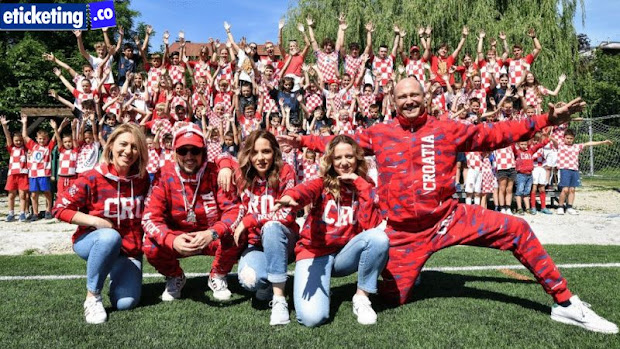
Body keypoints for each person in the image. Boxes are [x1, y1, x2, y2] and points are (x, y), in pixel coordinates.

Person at [279, 77, 618, 334]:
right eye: (402, 96)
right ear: (393, 102)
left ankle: (566, 303)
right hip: (402, 234)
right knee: (392, 298)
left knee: (517, 228)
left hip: (448, 218)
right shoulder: (380, 134)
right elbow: (340, 144)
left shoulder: (447, 128)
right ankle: (394, 279)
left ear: (425, 97)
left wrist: (544, 120)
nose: (409, 101)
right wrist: (301, 140)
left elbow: (496, 133)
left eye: (415, 95)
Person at [275, 135, 388, 327]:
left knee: (379, 238)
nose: (344, 163)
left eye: (349, 157)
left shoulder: (365, 185)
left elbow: (370, 225)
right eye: (338, 158)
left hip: (345, 255)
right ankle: (298, 283)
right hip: (315, 253)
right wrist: (291, 196)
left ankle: (361, 297)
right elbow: (306, 190)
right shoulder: (322, 182)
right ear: (331, 161)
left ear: (357, 158)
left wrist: (359, 183)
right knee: (312, 319)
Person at [53, 123, 150, 324]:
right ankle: (93, 296)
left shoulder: (143, 179)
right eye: (123, 144)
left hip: (129, 250)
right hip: (93, 240)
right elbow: (59, 208)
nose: (128, 151)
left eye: (134, 146)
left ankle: (114, 270)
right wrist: (95, 221)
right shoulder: (92, 177)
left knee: (125, 303)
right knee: (109, 237)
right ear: (111, 145)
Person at [141, 124, 244, 302]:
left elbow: (234, 210)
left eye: (195, 150)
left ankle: (217, 275)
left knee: (238, 234)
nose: (189, 156)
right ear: (174, 153)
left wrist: (213, 233)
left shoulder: (217, 172)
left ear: (203, 151)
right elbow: (150, 217)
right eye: (183, 151)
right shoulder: (163, 175)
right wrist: (171, 239)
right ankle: (175, 276)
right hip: (179, 237)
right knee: (150, 245)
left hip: (211, 236)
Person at [231, 130, 298, 325]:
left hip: (284, 239)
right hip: (255, 243)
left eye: (266, 152)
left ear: (275, 153)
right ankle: (268, 282)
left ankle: (279, 299)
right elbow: (221, 159)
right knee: (251, 279)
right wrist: (226, 166)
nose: (260, 158)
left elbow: (287, 214)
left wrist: (251, 221)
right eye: (255, 152)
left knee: (271, 227)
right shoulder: (241, 175)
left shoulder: (286, 171)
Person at [555, 130, 613, 215]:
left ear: (574, 139)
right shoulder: (560, 146)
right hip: (564, 169)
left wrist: (603, 142)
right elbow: (551, 139)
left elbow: (589, 143)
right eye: (567, 138)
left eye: (571, 138)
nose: (569, 140)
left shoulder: (576, 146)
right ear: (564, 138)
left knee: (572, 189)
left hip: (574, 170)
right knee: (565, 189)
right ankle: (560, 207)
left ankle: (569, 207)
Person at [21, 113, 57, 220]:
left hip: (44, 174)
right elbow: (24, 136)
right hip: (33, 174)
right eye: (40, 139)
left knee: (47, 193)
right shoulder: (33, 145)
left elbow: (55, 138)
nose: (42, 141)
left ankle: (48, 211)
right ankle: (35, 213)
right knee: (33, 194)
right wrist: (24, 123)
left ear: (47, 139)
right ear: (37, 138)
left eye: (44, 139)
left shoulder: (48, 147)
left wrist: (55, 129)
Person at [1, 115, 29, 222]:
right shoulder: (11, 148)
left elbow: (25, 136)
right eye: (16, 140)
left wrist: (24, 123)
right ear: (13, 141)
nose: (18, 142)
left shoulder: (25, 148)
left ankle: (22, 213)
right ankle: (11, 213)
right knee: (11, 195)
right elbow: (7, 136)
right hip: (12, 174)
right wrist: (4, 126)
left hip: (23, 174)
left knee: (22, 195)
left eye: (20, 141)